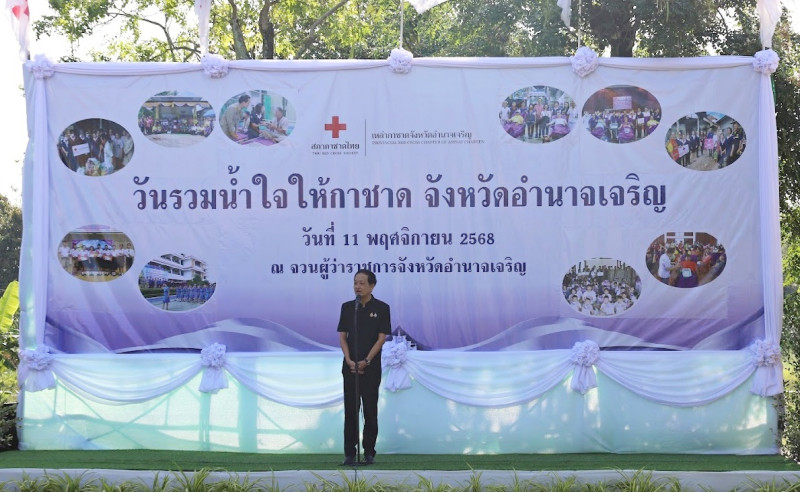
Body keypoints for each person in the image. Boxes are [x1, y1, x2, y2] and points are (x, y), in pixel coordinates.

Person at [337, 269, 391, 466]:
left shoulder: (382, 308)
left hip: (370, 367)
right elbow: (343, 337)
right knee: (351, 411)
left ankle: (369, 452)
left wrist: (366, 361)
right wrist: (349, 360)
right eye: (355, 283)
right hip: (350, 367)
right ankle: (349, 454)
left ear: (372, 285)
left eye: (362, 283)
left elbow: (381, 338)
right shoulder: (348, 308)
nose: (357, 287)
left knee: (370, 410)